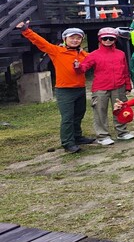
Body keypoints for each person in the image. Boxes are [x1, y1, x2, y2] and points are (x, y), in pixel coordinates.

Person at [15, 21, 94, 153]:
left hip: (80, 88)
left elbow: (99, 59)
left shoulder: (84, 54)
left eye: (78, 38)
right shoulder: (57, 51)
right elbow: (40, 42)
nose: (75, 40)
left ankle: (77, 137)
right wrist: (25, 30)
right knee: (67, 117)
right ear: (65, 39)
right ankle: (68, 143)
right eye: (72, 38)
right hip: (64, 90)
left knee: (79, 114)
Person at [76, 26, 134, 145]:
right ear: (100, 39)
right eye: (105, 38)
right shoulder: (93, 54)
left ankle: (122, 132)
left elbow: (125, 71)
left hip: (119, 86)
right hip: (100, 87)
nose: (108, 41)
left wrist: (128, 85)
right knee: (100, 111)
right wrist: (78, 66)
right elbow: (84, 67)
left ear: (115, 40)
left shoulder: (120, 54)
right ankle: (102, 136)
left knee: (121, 109)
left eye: (111, 38)